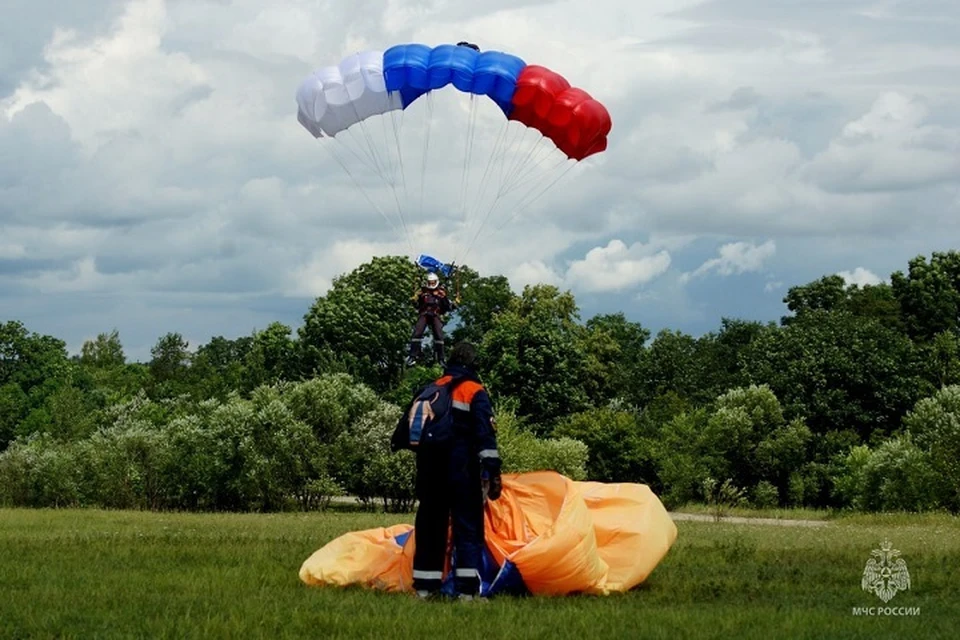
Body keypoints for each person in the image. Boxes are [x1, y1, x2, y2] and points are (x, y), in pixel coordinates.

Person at [401, 342, 502, 601]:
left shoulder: (431, 389)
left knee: (429, 529)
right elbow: (485, 438)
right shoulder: (473, 391)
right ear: (473, 365)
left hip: (429, 472)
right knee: (467, 530)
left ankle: (425, 588)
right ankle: (466, 592)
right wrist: (493, 473)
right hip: (461, 472)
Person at [406, 272, 455, 367]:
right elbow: (417, 305)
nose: (431, 284)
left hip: (435, 315)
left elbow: (447, 307)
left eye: (433, 283)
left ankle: (441, 359)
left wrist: (453, 304)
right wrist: (414, 301)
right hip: (424, 314)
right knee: (417, 332)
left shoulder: (441, 293)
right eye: (430, 282)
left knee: (439, 335)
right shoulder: (423, 292)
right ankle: (412, 356)